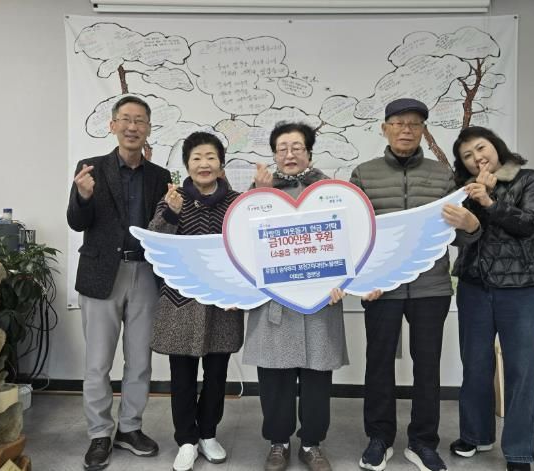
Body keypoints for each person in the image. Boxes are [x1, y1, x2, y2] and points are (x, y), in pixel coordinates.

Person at [350, 98, 480, 471]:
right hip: (381, 288)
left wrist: (470, 226)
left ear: (423, 130)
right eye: (398, 123)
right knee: (378, 363)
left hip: (431, 286)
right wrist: (363, 279)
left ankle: (423, 442)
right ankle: (379, 438)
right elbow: (353, 235)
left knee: (427, 366)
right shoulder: (364, 174)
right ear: (385, 129)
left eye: (414, 124)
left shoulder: (443, 175)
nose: (406, 130)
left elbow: (458, 236)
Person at [67, 95, 171, 471]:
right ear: (112, 125)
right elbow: (76, 222)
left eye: (140, 120)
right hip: (101, 274)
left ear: (148, 128)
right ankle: (99, 433)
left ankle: (130, 428)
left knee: (140, 360)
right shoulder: (90, 168)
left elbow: (164, 228)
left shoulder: (160, 176)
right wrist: (83, 197)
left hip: (144, 274)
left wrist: (174, 212)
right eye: (125, 119)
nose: (132, 126)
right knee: (97, 363)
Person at [242, 122, 348, 471]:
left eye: (297, 147)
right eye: (282, 148)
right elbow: (241, 242)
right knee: (275, 377)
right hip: (275, 301)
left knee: (317, 377)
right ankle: (279, 442)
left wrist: (343, 280)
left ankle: (312, 444)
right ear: (274, 154)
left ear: (309, 152)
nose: (289, 154)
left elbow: (348, 240)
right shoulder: (258, 193)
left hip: (320, 301)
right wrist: (258, 195)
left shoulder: (330, 191)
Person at [444, 126, 534, 471]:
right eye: (467, 156)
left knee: (521, 371)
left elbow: (530, 224)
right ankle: (475, 435)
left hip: (522, 291)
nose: (477, 158)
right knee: (475, 365)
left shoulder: (529, 179)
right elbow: (457, 237)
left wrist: (490, 202)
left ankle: (519, 451)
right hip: (475, 288)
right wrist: (470, 215)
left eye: (481, 148)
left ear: (495, 146)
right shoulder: (463, 190)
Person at [147, 131, 243, 471]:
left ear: (221, 164)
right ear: (187, 164)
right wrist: (171, 214)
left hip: (223, 303)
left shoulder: (237, 203)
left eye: (211, 157)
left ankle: (208, 434)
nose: (204, 164)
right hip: (180, 302)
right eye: (197, 158)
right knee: (182, 376)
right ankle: (186, 440)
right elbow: (154, 243)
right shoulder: (173, 198)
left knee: (217, 375)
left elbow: (248, 250)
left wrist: (239, 290)